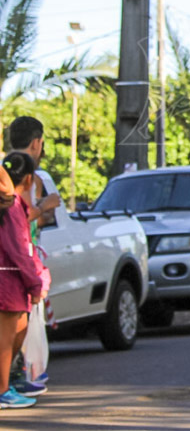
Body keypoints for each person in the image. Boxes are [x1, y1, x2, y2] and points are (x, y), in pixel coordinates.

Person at [6, 117, 56, 393]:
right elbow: (19, 220)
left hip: (20, 262)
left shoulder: (12, 166)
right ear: (37, 142)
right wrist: (45, 205)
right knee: (17, 327)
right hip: (17, 265)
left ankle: (13, 381)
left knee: (20, 326)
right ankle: (10, 383)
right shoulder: (26, 172)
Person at [0, 153, 46, 408]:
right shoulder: (12, 206)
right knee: (6, 341)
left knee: (15, 333)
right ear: (28, 180)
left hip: (10, 277)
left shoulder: (11, 205)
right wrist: (35, 283)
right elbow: (19, 248)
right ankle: (3, 390)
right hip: (8, 278)